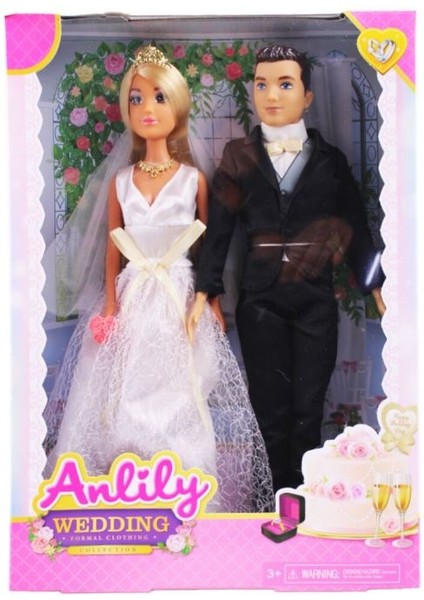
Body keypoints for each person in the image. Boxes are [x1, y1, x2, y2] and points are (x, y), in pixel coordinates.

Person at [42, 45, 274, 513]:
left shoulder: (193, 180)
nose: (147, 109)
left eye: (159, 98)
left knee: (181, 387)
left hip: (180, 293)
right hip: (134, 293)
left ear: (177, 106)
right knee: (125, 384)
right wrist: (111, 306)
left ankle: (184, 483)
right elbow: (114, 245)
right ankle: (129, 481)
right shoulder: (121, 181)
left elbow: (209, 246)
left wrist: (210, 300)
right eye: (137, 99)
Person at [188, 44, 386, 492]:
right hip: (260, 298)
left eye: (284, 84)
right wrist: (205, 290)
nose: (272, 95)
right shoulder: (238, 157)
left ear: (307, 96)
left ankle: (304, 498)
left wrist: (374, 286)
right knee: (268, 408)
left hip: (315, 297)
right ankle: (266, 501)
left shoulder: (330, 161)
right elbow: (219, 229)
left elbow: (355, 227)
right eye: (261, 85)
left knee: (308, 405)